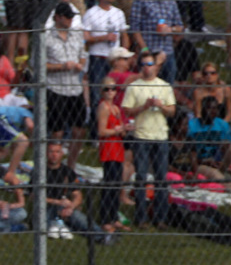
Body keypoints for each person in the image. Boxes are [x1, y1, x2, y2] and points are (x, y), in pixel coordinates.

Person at [120, 53, 175, 227]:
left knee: (161, 178)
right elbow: (127, 111)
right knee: (141, 176)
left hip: (160, 135)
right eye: (143, 64)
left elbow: (172, 110)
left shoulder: (164, 86)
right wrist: (144, 107)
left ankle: (160, 217)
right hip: (142, 135)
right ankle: (141, 216)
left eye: (150, 64)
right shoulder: (134, 87)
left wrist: (161, 106)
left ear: (155, 67)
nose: (147, 67)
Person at [45, 1, 90, 164]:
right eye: (67, 17)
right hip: (55, 88)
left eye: (71, 17)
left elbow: (83, 54)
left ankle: (70, 165)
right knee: (56, 132)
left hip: (75, 89)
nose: (70, 20)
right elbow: (39, 65)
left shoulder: (76, 34)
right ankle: (51, 164)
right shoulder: (46, 37)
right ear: (57, 17)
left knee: (79, 130)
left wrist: (80, 64)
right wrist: (61, 66)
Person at [129, 0, 184, 84]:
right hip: (149, 53)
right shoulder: (140, 0)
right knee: (146, 86)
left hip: (168, 52)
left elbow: (180, 26)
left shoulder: (171, 1)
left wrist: (171, 29)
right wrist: (144, 49)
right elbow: (134, 28)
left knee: (168, 88)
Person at [44, 142, 108, 241]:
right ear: (46, 153)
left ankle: (101, 236)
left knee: (75, 215)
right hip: (47, 208)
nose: (54, 155)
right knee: (58, 211)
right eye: (51, 151)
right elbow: (34, 196)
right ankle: (62, 226)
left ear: (62, 154)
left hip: (64, 207)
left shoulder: (67, 171)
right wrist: (58, 202)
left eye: (57, 152)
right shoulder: (40, 172)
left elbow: (78, 195)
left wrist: (71, 207)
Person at [96, 74, 129, 233]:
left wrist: (124, 129)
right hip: (109, 148)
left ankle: (114, 216)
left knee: (117, 183)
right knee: (109, 183)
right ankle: (105, 218)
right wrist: (116, 130)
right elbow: (101, 130)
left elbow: (121, 130)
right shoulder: (103, 107)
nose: (110, 92)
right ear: (102, 92)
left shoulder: (116, 108)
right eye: (106, 89)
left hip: (117, 148)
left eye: (113, 89)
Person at [185, 95, 231, 181]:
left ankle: (222, 171)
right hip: (199, 163)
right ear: (201, 109)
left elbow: (228, 149)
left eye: (215, 108)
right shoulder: (191, 125)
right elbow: (188, 152)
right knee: (217, 176)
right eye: (209, 108)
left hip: (219, 162)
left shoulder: (223, 124)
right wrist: (204, 161)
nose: (213, 111)